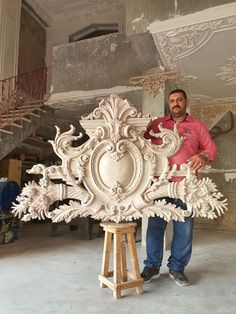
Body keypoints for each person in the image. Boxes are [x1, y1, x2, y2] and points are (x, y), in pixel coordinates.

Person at [141, 88, 217, 286]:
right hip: (159, 184)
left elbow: (211, 149)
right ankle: (151, 267)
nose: (175, 103)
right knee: (155, 228)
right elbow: (141, 144)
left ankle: (177, 268)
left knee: (184, 228)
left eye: (179, 100)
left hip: (186, 186)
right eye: (172, 100)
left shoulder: (197, 126)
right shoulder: (158, 124)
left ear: (186, 102)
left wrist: (203, 156)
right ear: (169, 103)